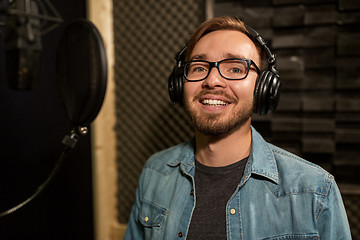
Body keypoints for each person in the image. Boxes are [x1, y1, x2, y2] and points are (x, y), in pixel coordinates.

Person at [124, 16, 351, 240]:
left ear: (263, 88)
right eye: (199, 67)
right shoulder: (155, 172)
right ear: (178, 85)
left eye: (234, 69)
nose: (212, 80)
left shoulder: (314, 190)